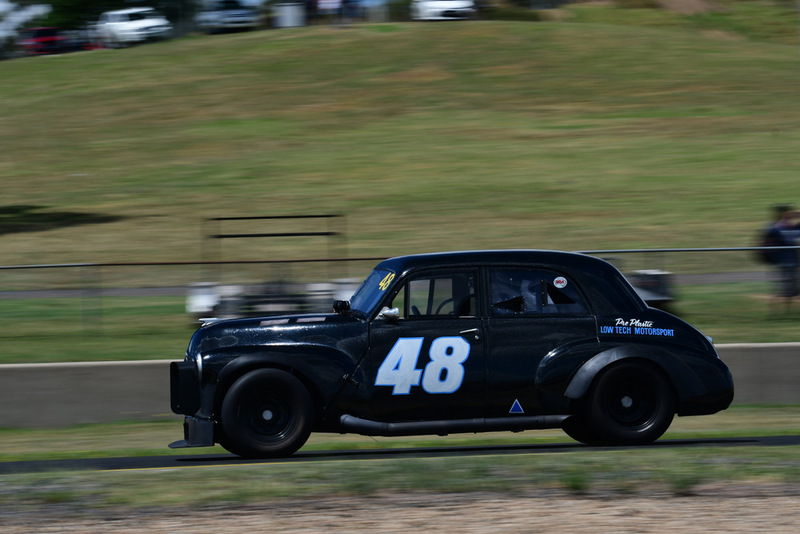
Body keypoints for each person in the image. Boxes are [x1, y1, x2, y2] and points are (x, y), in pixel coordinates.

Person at [765, 204, 800, 306]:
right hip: (784, 260)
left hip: (790, 260)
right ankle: (784, 307)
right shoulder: (777, 227)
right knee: (787, 289)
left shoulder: (788, 227)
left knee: (790, 286)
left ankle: (786, 306)